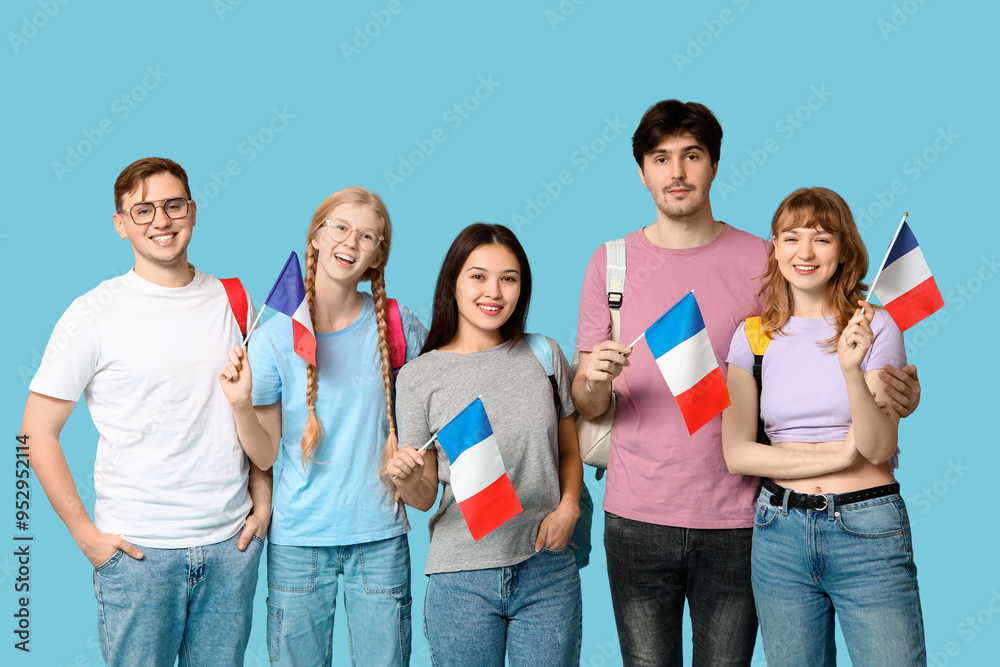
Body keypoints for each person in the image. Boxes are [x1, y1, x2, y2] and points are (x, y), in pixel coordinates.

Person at [572, 100, 923, 666]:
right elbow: (587, 402)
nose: (677, 171)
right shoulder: (609, 264)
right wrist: (591, 379)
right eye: (661, 159)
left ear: (713, 165)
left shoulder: (767, 260)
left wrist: (896, 387)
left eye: (692, 156)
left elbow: (814, 341)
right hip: (637, 512)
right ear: (642, 171)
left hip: (741, 519)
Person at [19, 157, 271, 667]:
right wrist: (87, 538)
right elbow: (35, 432)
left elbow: (256, 419)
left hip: (230, 549)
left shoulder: (236, 302)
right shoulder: (93, 312)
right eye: (143, 210)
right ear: (120, 225)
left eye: (173, 204)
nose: (161, 220)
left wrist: (262, 501)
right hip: (138, 556)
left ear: (193, 212)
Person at [218, 186, 427, 666]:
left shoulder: (396, 326)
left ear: (378, 256)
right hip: (298, 543)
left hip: (379, 539)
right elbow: (266, 455)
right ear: (316, 236)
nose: (351, 242)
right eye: (340, 227)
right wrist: (240, 404)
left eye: (367, 236)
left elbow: (430, 405)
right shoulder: (273, 338)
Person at [722, 187, 926, 665]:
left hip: (867, 529)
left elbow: (877, 448)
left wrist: (853, 369)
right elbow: (738, 454)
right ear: (774, 246)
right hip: (779, 532)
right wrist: (837, 454)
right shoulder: (753, 336)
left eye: (822, 238)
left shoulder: (874, 326)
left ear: (843, 250)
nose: (805, 252)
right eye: (791, 238)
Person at [387, 223, 583, 666]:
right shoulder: (419, 377)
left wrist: (568, 507)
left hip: (546, 567)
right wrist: (407, 477)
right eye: (478, 276)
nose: (493, 291)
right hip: (461, 576)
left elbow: (569, 451)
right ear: (452, 283)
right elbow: (423, 498)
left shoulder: (545, 356)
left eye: (508, 278)